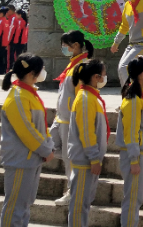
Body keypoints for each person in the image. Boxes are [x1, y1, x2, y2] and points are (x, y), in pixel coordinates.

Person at [0, 54, 53, 227]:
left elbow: (41, 127)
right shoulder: (18, 97)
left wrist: (48, 146)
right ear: (32, 73)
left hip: (31, 158)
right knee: (15, 207)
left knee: (24, 206)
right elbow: (26, 131)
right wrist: (45, 150)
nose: (43, 72)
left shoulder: (29, 94)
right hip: (20, 159)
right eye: (41, 69)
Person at [50, 30, 93, 206]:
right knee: (49, 147)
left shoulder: (82, 66)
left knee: (69, 158)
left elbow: (81, 96)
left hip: (70, 120)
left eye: (65, 46)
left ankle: (72, 189)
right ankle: (80, 171)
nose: (64, 49)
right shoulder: (72, 64)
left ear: (75, 46)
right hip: (61, 117)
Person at [67, 59, 109, 227]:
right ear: (95, 77)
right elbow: (87, 132)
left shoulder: (90, 97)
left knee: (84, 203)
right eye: (103, 75)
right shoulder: (85, 98)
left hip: (88, 160)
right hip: (84, 160)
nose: (105, 78)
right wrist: (93, 158)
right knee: (79, 205)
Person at [117, 57, 143, 227]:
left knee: (135, 198)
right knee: (132, 199)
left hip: (137, 153)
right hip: (134, 154)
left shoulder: (138, 97)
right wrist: (134, 159)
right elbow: (131, 133)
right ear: (142, 74)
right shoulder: (133, 100)